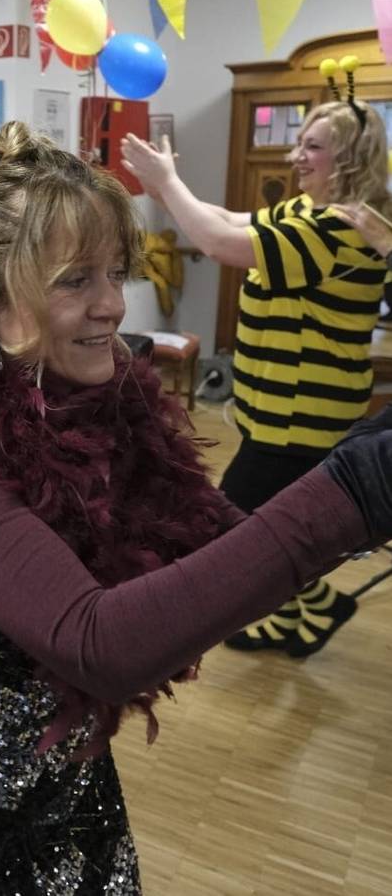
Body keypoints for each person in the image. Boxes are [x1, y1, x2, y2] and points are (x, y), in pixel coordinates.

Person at [0, 122, 392, 893]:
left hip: (69, 791)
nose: (112, 306)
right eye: (75, 281)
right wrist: (351, 494)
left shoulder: (99, 396)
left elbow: (213, 546)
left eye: (114, 273)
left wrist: (359, 476)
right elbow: (98, 642)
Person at [120, 93, 392, 658]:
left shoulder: (339, 228)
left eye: (311, 146)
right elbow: (224, 220)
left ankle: (275, 613)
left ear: (351, 157)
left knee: (235, 526)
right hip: (277, 414)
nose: (296, 155)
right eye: (300, 142)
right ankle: (311, 609)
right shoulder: (303, 212)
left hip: (304, 421)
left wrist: (165, 184)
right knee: (273, 522)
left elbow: (219, 244)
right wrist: (169, 184)